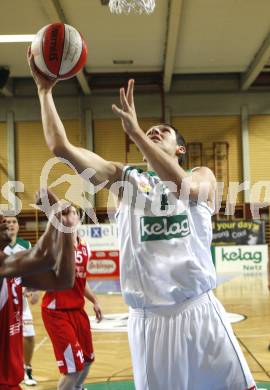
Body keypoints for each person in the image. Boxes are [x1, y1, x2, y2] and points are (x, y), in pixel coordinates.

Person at [28, 50, 256, 390]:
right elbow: (61, 147)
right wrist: (44, 92)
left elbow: (183, 187)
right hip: (150, 322)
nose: (154, 132)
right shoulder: (125, 180)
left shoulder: (202, 175)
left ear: (180, 149)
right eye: (149, 131)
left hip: (201, 311)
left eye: (163, 131)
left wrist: (136, 133)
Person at [0, 189, 75, 390]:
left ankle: (27, 367)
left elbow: (63, 280)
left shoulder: (9, 266)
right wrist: (54, 213)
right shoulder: (4, 265)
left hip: (9, 381)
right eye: (1, 222)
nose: (6, 224)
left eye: (8, 221)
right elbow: (46, 256)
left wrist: (67, 228)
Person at [41, 205, 103, 390]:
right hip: (56, 312)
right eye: (64, 213)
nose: (69, 216)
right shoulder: (55, 244)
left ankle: (77, 387)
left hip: (77, 310)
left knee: (87, 359)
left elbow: (80, 282)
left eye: (72, 212)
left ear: (78, 218)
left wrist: (95, 301)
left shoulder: (85, 247)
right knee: (73, 368)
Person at [4, 216, 39, 386]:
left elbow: (31, 272)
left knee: (29, 335)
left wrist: (33, 290)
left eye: (14, 222)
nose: (11, 225)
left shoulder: (25, 245)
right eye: (7, 222)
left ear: (18, 226)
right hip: (4, 299)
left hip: (20, 299)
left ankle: (27, 368)